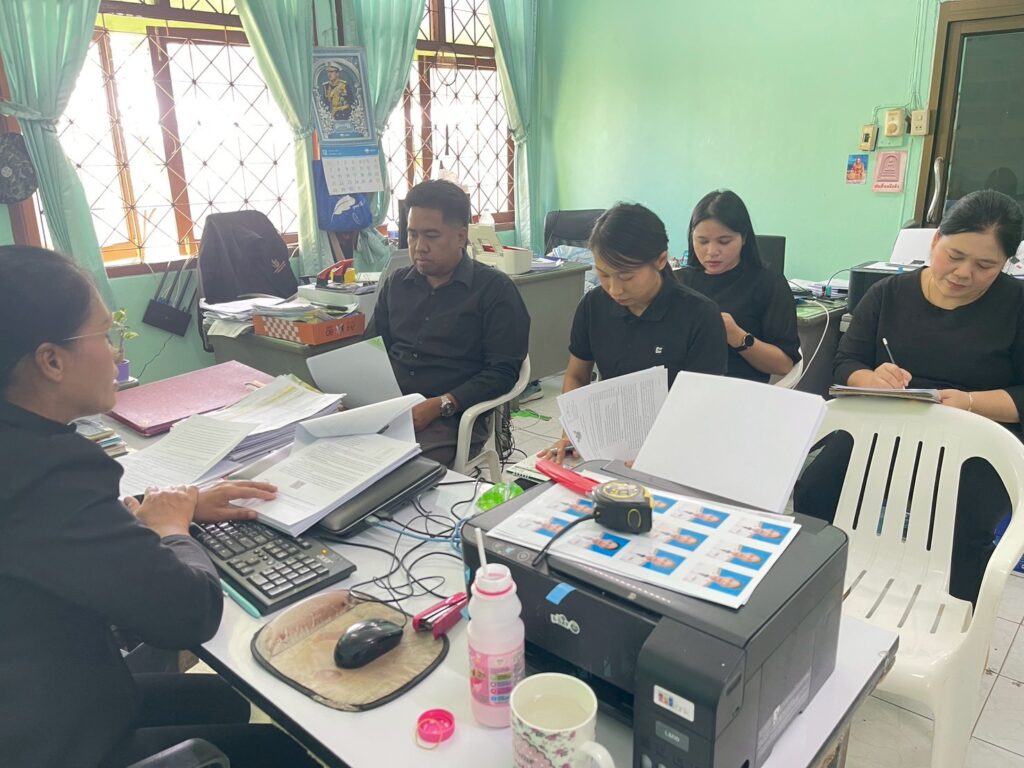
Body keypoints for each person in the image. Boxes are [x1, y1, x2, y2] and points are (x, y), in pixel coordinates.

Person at [0, 246, 319, 768]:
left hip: (36, 697)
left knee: (224, 700)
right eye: (104, 335)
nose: (116, 352)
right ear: (50, 360)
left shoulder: (22, 454)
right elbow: (189, 615)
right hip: (57, 739)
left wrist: (171, 507)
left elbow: (51, 539)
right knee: (286, 751)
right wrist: (173, 530)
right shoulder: (49, 474)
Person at [794, 189, 1024, 604]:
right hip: (883, 428)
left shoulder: (1016, 305)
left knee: (965, 524)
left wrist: (970, 402)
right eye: (954, 256)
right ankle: (814, 596)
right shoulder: (889, 293)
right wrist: (871, 378)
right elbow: (846, 363)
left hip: (975, 441)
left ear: (1006, 263)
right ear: (935, 241)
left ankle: (958, 616)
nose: (964, 273)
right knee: (815, 488)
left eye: (985, 265)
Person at [541, 203, 727, 462]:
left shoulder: (700, 315)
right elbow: (576, 375)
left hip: (677, 447)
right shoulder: (593, 305)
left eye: (626, 277)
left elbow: (703, 407)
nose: (614, 289)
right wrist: (573, 434)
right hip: (611, 443)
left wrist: (656, 456)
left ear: (660, 260)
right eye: (604, 275)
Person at [367, 179, 530, 467]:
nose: (419, 247)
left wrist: (443, 403)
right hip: (389, 407)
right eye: (412, 235)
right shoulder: (396, 284)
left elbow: (503, 372)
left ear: (460, 236)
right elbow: (371, 349)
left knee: (394, 472)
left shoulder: (494, 291)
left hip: (450, 419)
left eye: (431, 236)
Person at [678, 190, 801, 383]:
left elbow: (783, 365)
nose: (712, 251)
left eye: (724, 241)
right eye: (702, 241)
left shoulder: (768, 284)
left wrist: (736, 335)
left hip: (739, 389)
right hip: (681, 387)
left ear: (743, 238)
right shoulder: (679, 282)